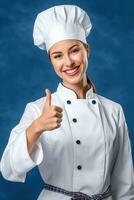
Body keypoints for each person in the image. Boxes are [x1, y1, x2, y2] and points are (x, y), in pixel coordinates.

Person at [0, 4, 134, 200]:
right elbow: (8, 168)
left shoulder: (114, 110)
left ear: (86, 50)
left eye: (74, 51)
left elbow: (124, 181)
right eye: (58, 56)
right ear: (51, 61)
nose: (68, 63)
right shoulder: (38, 110)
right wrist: (36, 128)